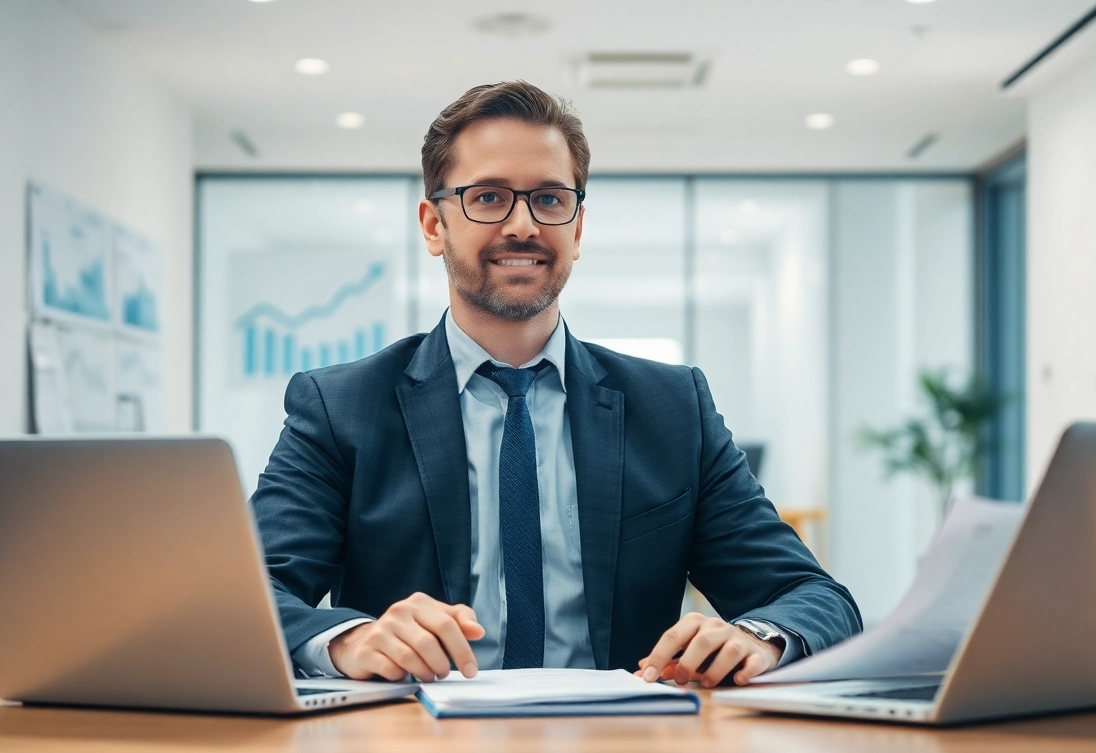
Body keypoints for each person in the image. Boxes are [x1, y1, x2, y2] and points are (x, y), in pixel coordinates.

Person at [252, 81, 861, 689]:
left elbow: (812, 596)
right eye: (488, 197)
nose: (523, 225)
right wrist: (348, 639)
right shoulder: (341, 408)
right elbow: (249, 594)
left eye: (548, 199)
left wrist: (754, 638)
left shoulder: (673, 408)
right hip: (416, 742)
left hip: (621, 744)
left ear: (577, 226)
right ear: (434, 225)